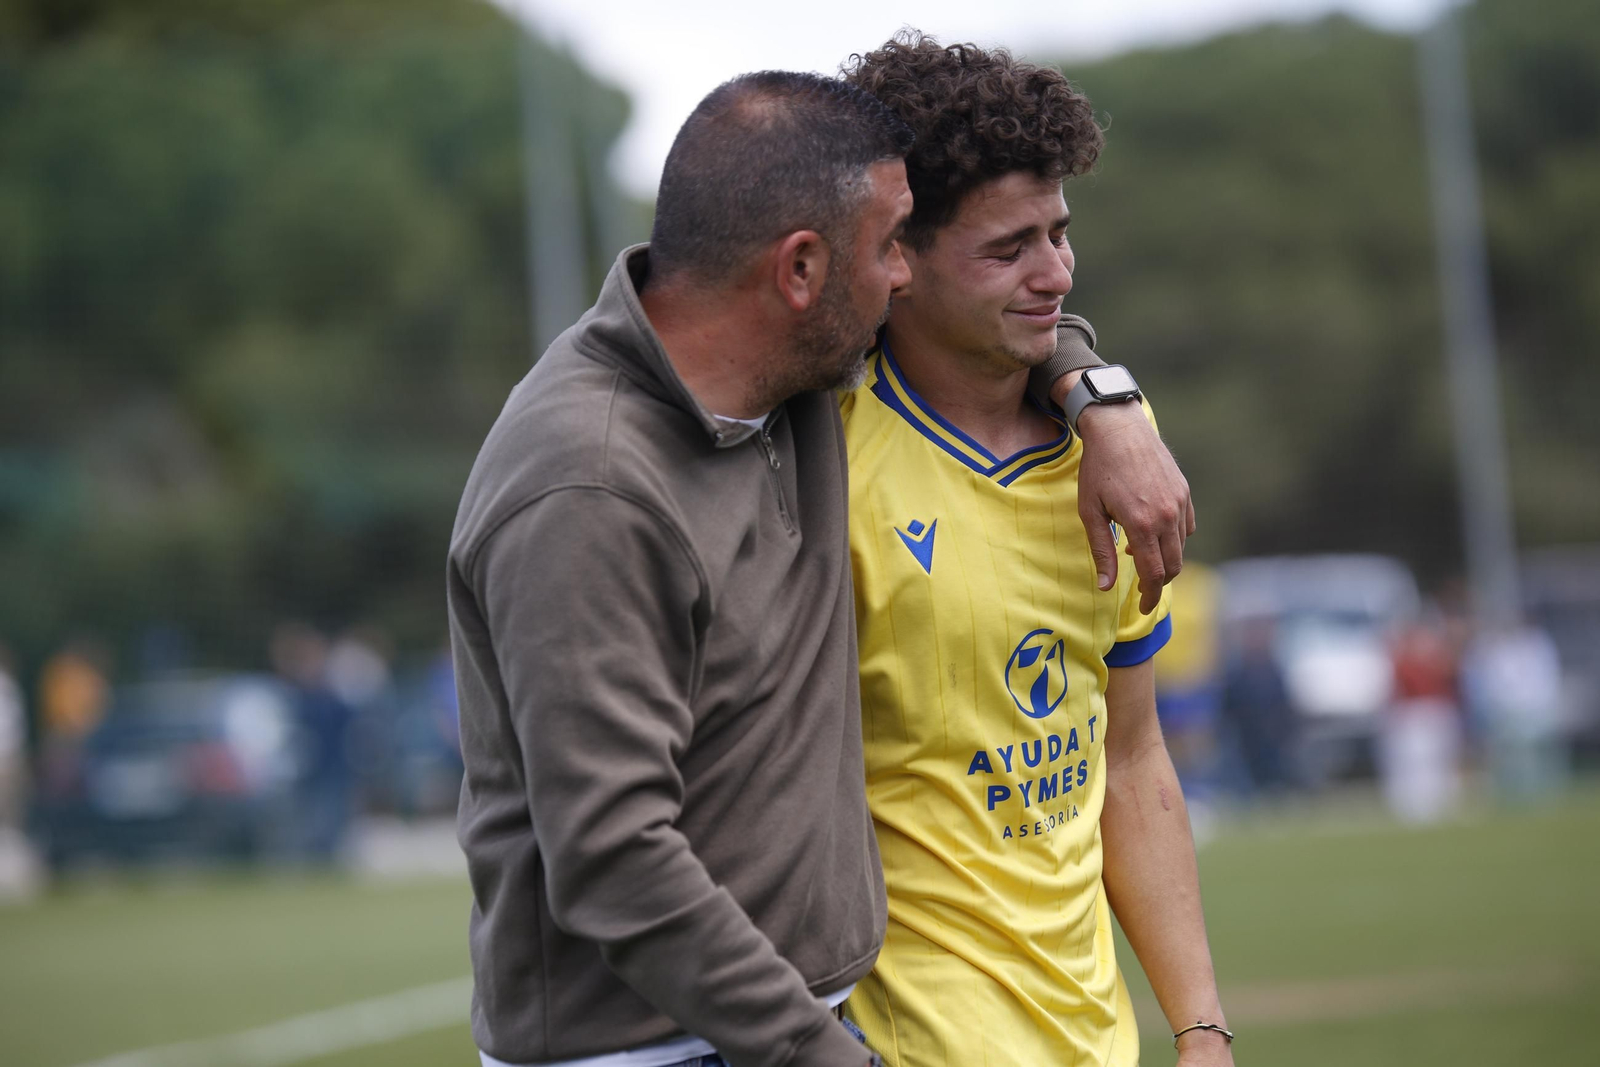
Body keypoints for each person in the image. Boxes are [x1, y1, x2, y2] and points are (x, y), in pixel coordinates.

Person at [450, 70, 1191, 1067]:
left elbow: (992, 319)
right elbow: (612, 858)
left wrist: (1100, 394)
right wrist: (822, 1052)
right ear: (799, 270)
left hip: (785, 1030)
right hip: (658, 1051)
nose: (899, 279)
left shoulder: (790, 375)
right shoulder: (588, 487)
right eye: (888, 248)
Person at [838, 35, 1231, 1066]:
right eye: (1007, 249)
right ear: (896, 258)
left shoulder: (1112, 474)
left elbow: (1131, 759)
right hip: (897, 1041)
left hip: (1095, 1041)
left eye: (1059, 233)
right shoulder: (816, 460)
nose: (1053, 272)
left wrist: (1198, 1026)